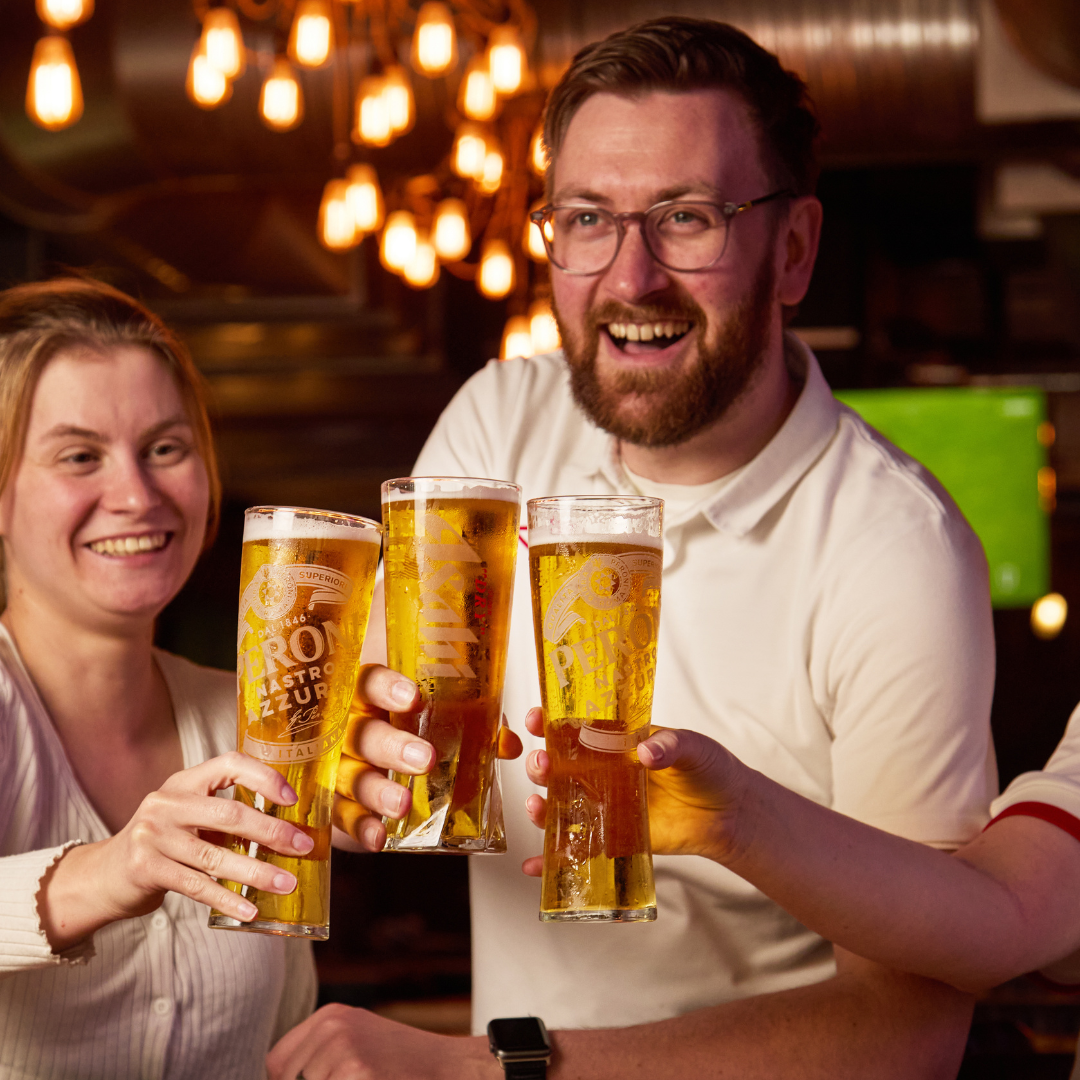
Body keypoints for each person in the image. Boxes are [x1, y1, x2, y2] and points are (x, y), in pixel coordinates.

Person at [297, 15, 998, 1079]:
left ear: (794, 249)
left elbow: (913, 1027)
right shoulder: (501, 425)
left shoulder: (892, 551)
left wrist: (498, 1070)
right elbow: (377, 742)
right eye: (586, 218)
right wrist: (356, 780)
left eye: (688, 218)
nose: (630, 279)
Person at [0, 277, 431, 1080]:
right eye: (79, 456)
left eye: (165, 448)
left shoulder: (249, 717)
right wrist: (113, 868)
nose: (136, 494)